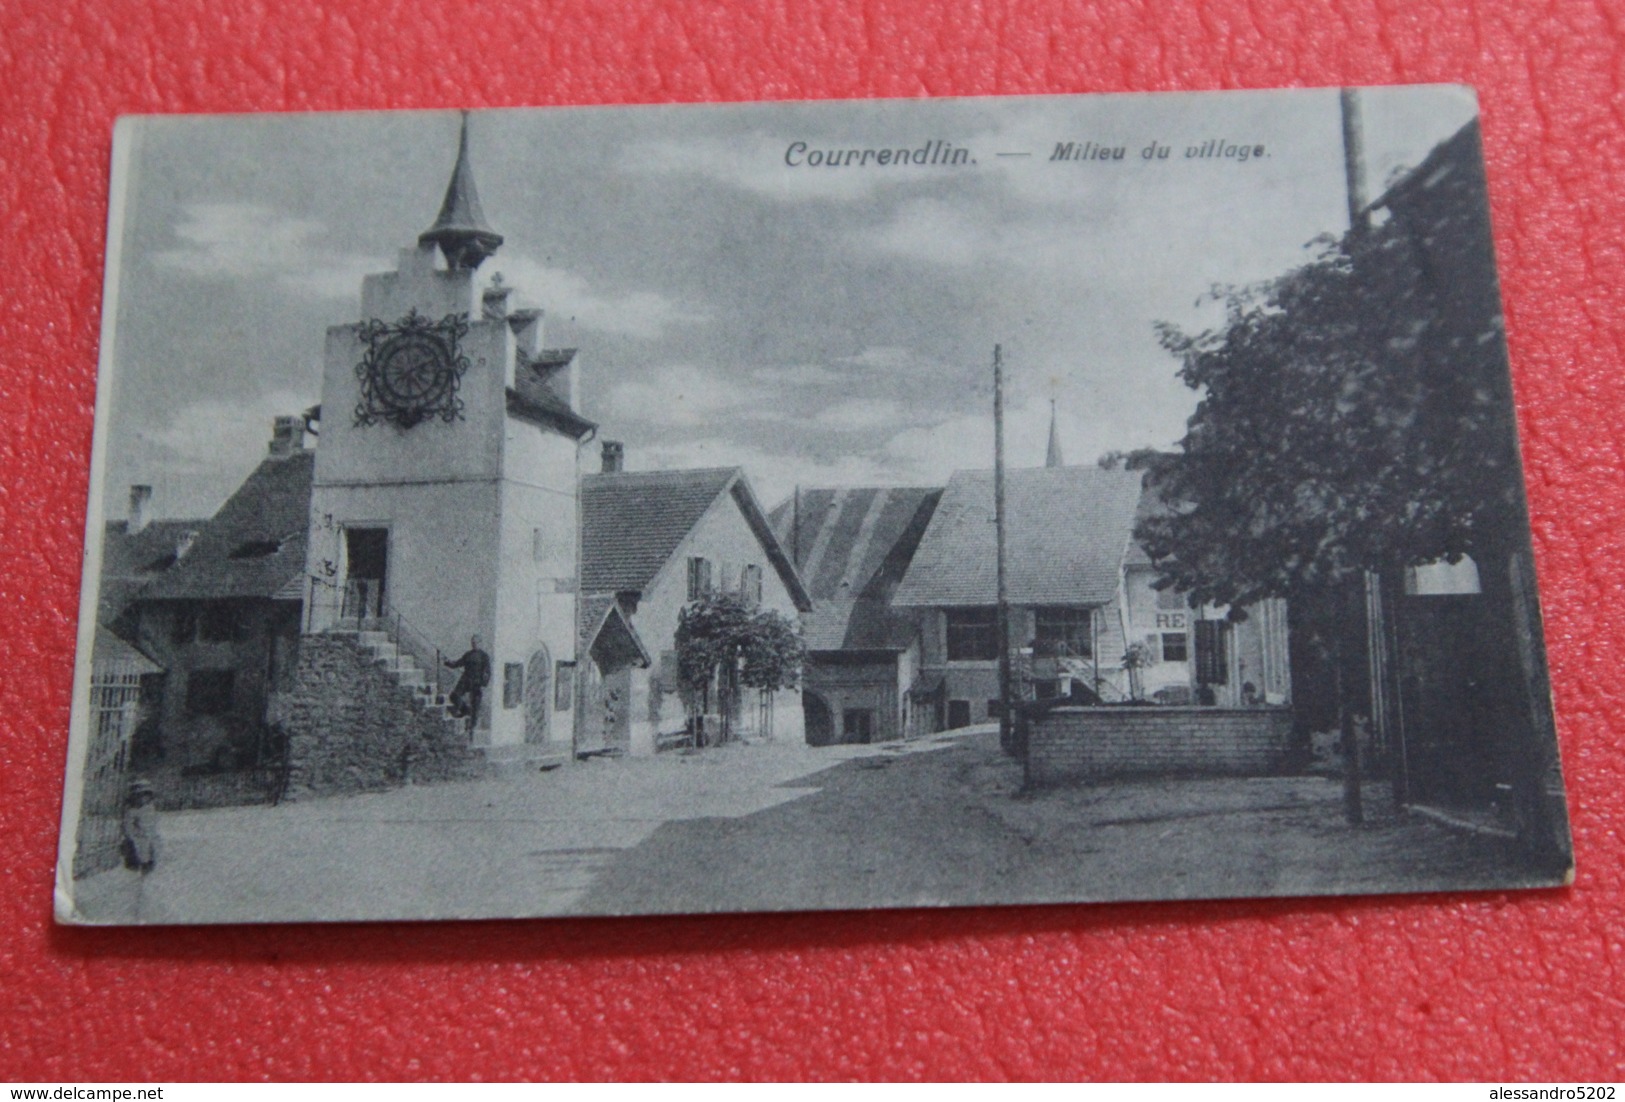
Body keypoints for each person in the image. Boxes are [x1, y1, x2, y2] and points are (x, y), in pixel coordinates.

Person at [445, 635, 492, 734]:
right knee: (454, 696)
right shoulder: (468, 654)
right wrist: (448, 663)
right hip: (466, 679)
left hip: (477, 682)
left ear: (480, 643)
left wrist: (484, 683)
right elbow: (458, 663)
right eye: (473, 643)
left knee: (475, 705)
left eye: (476, 643)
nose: (474, 644)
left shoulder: (484, 656)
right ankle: (465, 710)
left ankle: (472, 728)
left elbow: (487, 671)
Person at [120, 778, 159, 875]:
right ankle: (138, 866)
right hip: (137, 838)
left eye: (146, 796)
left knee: (149, 851)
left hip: (148, 836)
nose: (143, 799)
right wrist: (132, 836)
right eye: (140, 796)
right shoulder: (132, 811)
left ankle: (148, 865)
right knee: (138, 853)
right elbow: (128, 826)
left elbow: (152, 823)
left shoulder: (149, 808)